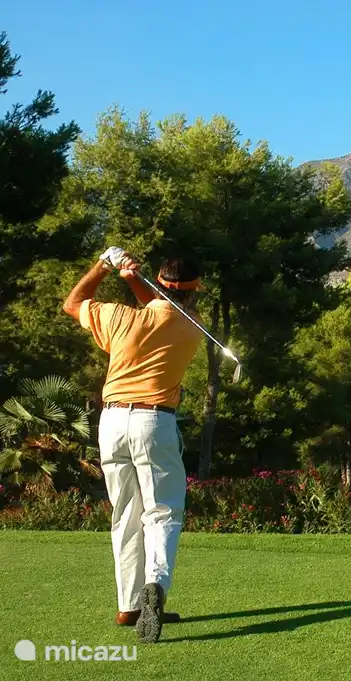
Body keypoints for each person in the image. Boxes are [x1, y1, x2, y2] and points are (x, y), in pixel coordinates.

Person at [62, 246, 204, 643]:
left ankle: (129, 606)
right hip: (154, 421)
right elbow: (165, 309)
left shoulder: (117, 317)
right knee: (161, 513)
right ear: (193, 293)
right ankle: (154, 586)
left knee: (125, 513)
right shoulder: (192, 325)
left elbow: (73, 303)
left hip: (111, 420)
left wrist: (106, 267)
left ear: (157, 284)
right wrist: (135, 282)